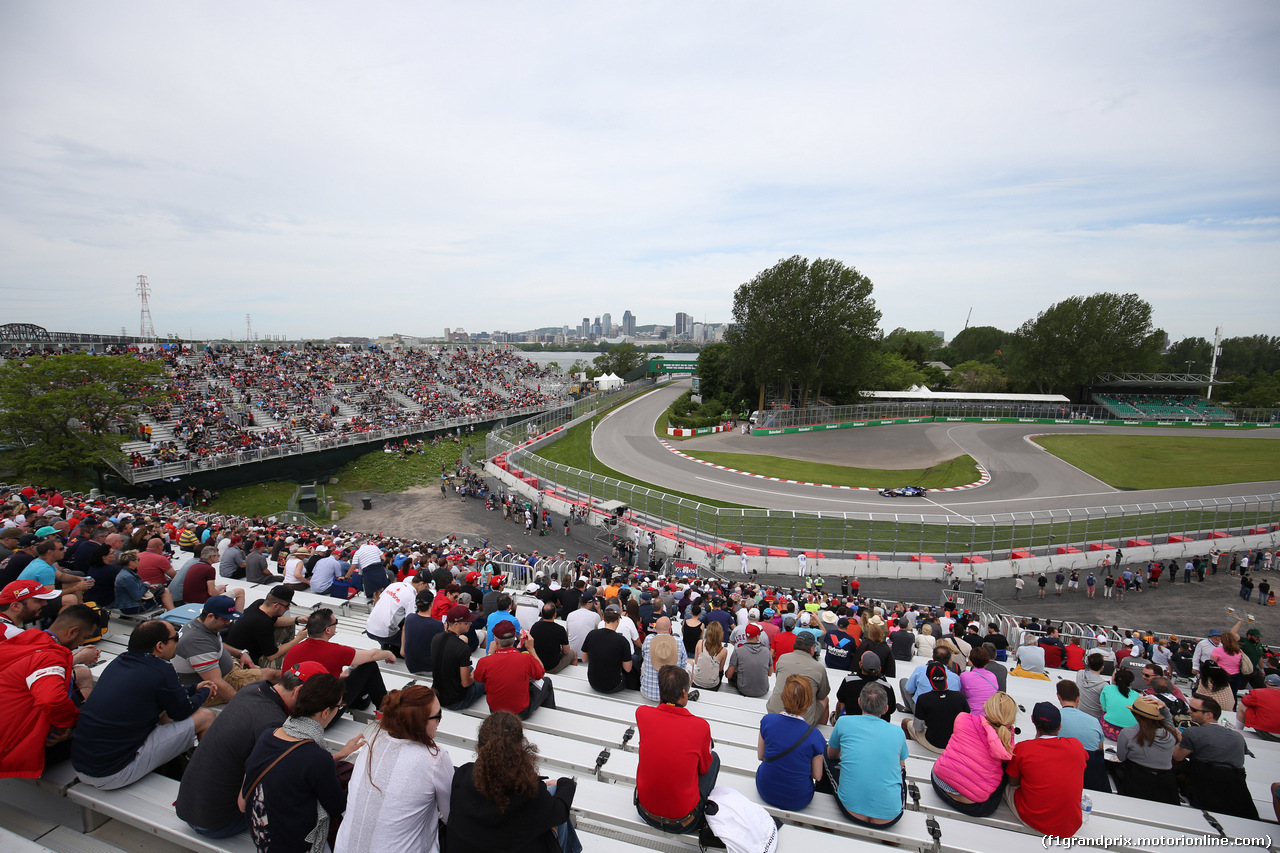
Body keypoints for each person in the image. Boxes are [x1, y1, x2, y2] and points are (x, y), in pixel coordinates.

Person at [177, 662, 324, 838]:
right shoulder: (272, 724)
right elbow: (268, 791)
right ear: (298, 692)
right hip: (216, 822)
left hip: (188, 806)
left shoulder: (254, 689)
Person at [71, 620, 217, 789]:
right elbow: (182, 711)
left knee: (163, 710)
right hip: (110, 773)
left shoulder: (119, 662)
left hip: (83, 764)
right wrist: (205, 692)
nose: (178, 642)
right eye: (175, 638)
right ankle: (209, 780)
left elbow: (167, 693)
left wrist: (193, 689)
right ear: (160, 646)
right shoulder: (162, 669)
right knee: (206, 717)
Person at [239, 673, 364, 853]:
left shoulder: (269, 735)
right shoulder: (316, 757)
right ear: (326, 712)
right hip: (293, 844)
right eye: (339, 706)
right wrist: (361, 774)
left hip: (263, 835)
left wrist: (342, 754)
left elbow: (297, 766)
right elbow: (338, 806)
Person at [336, 685, 454, 853]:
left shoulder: (373, 741)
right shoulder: (435, 758)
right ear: (419, 723)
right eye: (438, 716)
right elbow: (450, 815)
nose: (440, 720)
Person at [446, 711, 578, 853]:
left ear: (479, 749)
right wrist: (565, 783)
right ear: (520, 750)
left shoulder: (463, 774)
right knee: (552, 798)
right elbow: (561, 811)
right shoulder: (531, 794)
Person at [0, 605, 99, 778]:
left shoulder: (26, 638)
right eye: (84, 637)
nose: (82, 643)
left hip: (8, 720)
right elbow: (51, 700)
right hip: (10, 749)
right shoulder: (50, 657)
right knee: (96, 732)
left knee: (80, 679)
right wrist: (69, 724)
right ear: (72, 632)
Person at [635, 666, 719, 833]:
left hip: (644, 811)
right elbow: (704, 768)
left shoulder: (642, 713)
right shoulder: (700, 727)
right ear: (684, 693)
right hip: (684, 822)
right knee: (713, 758)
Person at [826, 682, 908, 827]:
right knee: (901, 771)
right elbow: (901, 767)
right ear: (886, 708)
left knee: (825, 754)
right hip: (889, 815)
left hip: (851, 809)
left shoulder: (844, 722)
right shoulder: (898, 732)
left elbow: (831, 755)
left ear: (859, 702)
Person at [282, 608, 395, 713]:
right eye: (335, 623)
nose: (336, 626)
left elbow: (309, 678)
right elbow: (372, 656)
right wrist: (388, 653)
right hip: (322, 715)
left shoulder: (294, 649)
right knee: (369, 667)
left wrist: (338, 677)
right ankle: (386, 709)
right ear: (327, 630)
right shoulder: (335, 651)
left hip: (295, 710)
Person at [1004, 702, 1087, 838]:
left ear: (1032, 720)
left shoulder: (1023, 749)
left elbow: (1013, 782)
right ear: (1060, 726)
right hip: (1070, 825)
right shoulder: (1076, 746)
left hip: (1036, 822)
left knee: (1004, 784)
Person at [175, 596, 276, 707]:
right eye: (225, 619)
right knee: (273, 675)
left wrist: (240, 653)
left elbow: (215, 644)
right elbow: (216, 682)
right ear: (210, 616)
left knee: (273, 676)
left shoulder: (199, 624)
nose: (228, 623)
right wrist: (243, 707)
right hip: (218, 683)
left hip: (227, 668)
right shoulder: (197, 642)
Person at [930, 691, 1016, 817]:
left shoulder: (963, 718)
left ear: (987, 706)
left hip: (939, 783)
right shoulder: (1007, 740)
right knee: (1006, 767)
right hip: (971, 805)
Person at [1174, 695, 1260, 819]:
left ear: (1208, 715)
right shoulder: (1237, 737)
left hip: (1205, 789)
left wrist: (1179, 740)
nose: (1189, 711)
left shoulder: (1193, 733)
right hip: (1237, 791)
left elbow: (1177, 757)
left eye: (1193, 709)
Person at [757, 675, 827, 811]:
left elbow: (761, 756)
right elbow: (817, 775)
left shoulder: (767, 721)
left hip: (766, 789)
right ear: (808, 701)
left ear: (784, 696)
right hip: (798, 798)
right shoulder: (815, 736)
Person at [473, 620, 556, 719]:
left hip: (495, 712)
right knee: (546, 682)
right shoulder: (526, 659)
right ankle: (550, 717)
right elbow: (540, 674)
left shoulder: (485, 662)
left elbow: (478, 678)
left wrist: (490, 653)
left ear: (495, 640)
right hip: (520, 713)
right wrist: (531, 649)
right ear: (513, 640)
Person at [1114, 695, 1181, 804]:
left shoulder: (1127, 733)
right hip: (1166, 783)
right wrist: (1164, 708)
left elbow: (1121, 757)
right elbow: (1168, 720)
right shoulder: (1170, 734)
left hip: (1136, 780)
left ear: (1135, 715)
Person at [902, 661, 969, 753]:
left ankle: (911, 752)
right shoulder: (960, 697)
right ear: (946, 677)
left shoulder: (923, 699)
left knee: (906, 722)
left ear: (928, 678)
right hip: (954, 744)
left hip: (933, 744)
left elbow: (918, 727)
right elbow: (967, 722)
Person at [1056, 681, 1109, 792]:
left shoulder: (1055, 719)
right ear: (1078, 698)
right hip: (1089, 775)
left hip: (1062, 772)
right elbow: (1100, 748)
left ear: (1058, 696)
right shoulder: (1094, 721)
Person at [431, 605, 486, 710]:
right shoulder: (463, 648)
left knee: (468, 669)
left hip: (438, 695)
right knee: (482, 676)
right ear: (456, 624)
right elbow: (465, 683)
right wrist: (474, 675)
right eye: (467, 622)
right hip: (457, 700)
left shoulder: (436, 638)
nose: (470, 624)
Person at [365, 572, 431, 653]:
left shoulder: (394, 585)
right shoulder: (411, 596)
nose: (426, 589)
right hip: (384, 633)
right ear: (421, 583)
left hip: (369, 627)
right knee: (416, 639)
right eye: (426, 586)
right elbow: (409, 623)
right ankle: (392, 649)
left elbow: (378, 602)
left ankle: (387, 646)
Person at [831, 650, 897, 724]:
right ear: (879, 670)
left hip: (852, 721)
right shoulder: (887, 687)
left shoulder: (849, 681)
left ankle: (836, 720)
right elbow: (891, 709)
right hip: (879, 724)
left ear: (860, 665)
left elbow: (841, 699)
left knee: (841, 700)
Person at [581, 606, 634, 694]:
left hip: (593, 682)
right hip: (613, 685)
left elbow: (584, 659)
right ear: (618, 620)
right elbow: (628, 668)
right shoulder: (622, 641)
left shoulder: (592, 634)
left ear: (604, 619)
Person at [640, 615, 690, 703]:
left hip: (648, 693)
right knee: (689, 665)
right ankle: (685, 694)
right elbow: (683, 665)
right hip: (671, 697)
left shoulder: (648, 640)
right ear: (670, 629)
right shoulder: (678, 641)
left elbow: (643, 655)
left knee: (644, 663)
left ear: (655, 629)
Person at [402, 592, 446, 675]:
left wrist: (402, 649)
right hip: (430, 668)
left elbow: (404, 629)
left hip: (411, 666)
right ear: (431, 604)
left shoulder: (409, 618)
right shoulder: (437, 624)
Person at [725, 622, 771, 698]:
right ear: (757, 637)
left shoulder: (738, 651)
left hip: (744, 689)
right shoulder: (766, 651)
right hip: (763, 689)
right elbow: (769, 673)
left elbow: (729, 675)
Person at [529, 602, 575, 674]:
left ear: (542, 614)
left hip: (536, 663)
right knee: (573, 653)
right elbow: (566, 651)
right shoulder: (560, 629)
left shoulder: (535, 626)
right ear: (555, 615)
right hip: (552, 667)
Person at [1236, 672, 1280, 739]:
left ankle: (1238, 732)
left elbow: (1245, 701)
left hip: (1267, 732)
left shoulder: (1258, 693)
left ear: (1265, 683)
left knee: (1242, 705)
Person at [1099, 668, 1139, 740]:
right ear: (1130, 683)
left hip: (1109, 729)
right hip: (1131, 733)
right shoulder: (1136, 695)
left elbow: (1104, 708)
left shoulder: (1107, 688)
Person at [959, 646, 1000, 713]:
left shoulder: (964, 676)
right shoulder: (992, 676)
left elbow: (961, 695)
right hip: (991, 714)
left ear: (970, 659)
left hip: (973, 714)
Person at [691, 619, 729, 692]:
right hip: (712, 685)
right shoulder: (723, 651)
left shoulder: (700, 643)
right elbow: (720, 669)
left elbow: (696, 661)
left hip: (697, 681)